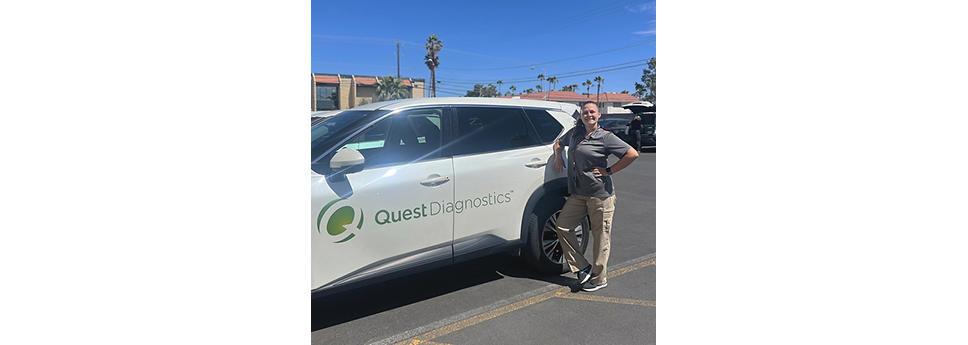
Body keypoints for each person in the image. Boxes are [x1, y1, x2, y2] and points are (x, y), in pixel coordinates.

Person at [552, 101, 639, 292]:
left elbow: (632, 154)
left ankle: (600, 279)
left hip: (600, 195)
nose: (588, 115)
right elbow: (558, 142)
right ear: (581, 115)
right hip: (578, 194)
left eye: (592, 112)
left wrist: (609, 170)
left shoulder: (606, 137)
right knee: (562, 227)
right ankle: (583, 267)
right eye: (585, 112)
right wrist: (558, 156)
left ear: (599, 115)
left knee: (601, 238)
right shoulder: (575, 133)